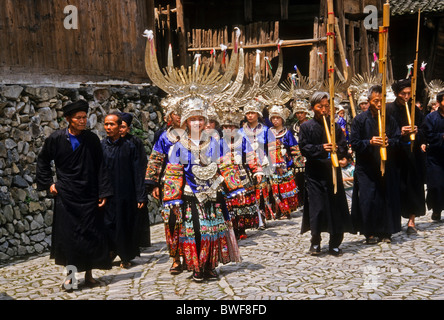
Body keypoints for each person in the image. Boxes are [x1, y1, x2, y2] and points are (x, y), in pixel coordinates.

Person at [162, 94, 245, 282]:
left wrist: (236, 188)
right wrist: (173, 199)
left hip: (213, 195)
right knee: (196, 232)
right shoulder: (179, 147)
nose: (197, 123)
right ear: (186, 122)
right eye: (193, 119)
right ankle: (196, 266)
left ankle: (210, 265)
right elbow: (174, 174)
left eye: (200, 119)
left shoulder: (215, 142)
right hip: (191, 197)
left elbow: (226, 165)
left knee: (213, 231)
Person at [36, 100, 113, 291]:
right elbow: (43, 160)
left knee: (91, 235)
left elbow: (101, 166)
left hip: (89, 194)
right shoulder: (56, 139)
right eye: (78, 118)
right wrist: (49, 184)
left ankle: (89, 275)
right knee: (69, 237)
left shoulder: (92, 139)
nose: (82, 121)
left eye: (84, 117)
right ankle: (70, 276)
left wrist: (103, 191)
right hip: (67, 195)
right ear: (68, 119)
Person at [298, 92, 352, 256]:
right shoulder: (306, 127)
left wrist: (341, 155)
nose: (323, 109)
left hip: (332, 173)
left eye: (326, 106)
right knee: (317, 208)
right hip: (315, 173)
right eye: (319, 106)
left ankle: (335, 242)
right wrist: (322, 148)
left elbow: (344, 145)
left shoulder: (334, 126)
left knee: (336, 208)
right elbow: (304, 148)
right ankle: (315, 241)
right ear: (313, 108)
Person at [350, 85, 402, 244]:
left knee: (386, 197)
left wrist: (389, 141)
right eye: (376, 101)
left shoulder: (389, 119)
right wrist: (370, 142)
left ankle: (386, 231)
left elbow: (398, 139)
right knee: (368, 199)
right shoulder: (359, 120)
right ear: (369, 101)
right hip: (366, 167)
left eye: (382, 101)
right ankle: (369, 232)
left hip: (386, 165)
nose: (379, 104)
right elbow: (355, 143)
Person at [101, 113, 147, 268]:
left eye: (112, 124)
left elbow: (138, 171)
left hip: (126, 192)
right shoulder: (101, 146)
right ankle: (110, 251)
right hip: (108, 193)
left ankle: (125, 255)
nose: (109, 128)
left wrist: (140, 196)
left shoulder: (130, 146)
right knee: (108, 224)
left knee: (125, 224)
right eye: (106, 124)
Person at [387, 79, 426, 234]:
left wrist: (417, 131)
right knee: (396, 187)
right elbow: (386, 130)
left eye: (409, 93)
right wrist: (399, 132)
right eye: (403, 93)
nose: (406, 96)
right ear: (397, 93)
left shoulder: (415, 110)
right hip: (396, 154)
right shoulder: (389, 109)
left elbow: (425, 129)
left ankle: (411, 221)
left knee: (413, 187)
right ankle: (393, 221)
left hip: (412, 154)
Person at [239, 100, 274, 226]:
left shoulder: (265, 130)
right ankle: (252, 219)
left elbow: (271, 148)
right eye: (247, 113)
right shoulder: (240, 132)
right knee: (249, 192)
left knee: (262, 192)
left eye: (252, 113)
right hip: (246, 166)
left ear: (258, 114)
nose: (250, 116)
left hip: (262, 164)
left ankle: (263, 218)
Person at [119, 112, 151, 248]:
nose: (120, 129)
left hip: (133, 184)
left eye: (123, 126)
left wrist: (141, 191)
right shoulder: (108, 143)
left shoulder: (135, 143)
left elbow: (141, 166)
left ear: (128, 128)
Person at [267, 105, 300, 219]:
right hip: (271, 165)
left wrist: (297, 163)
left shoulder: (287, 132)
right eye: (273, 118)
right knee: (274, 188)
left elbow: (293, 147)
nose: (275, 120)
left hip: (286, 165)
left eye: (278, 118)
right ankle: (278, 210)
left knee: (285, 188)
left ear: (282, 119)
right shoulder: (268, 132)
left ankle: (286, 210)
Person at [423, 90, 444, 221]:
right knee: (436, 185)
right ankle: (436, 209)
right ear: (439, 102)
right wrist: (441, 136)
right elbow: (427, 135)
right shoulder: (431, 118)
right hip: (435, 157)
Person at [290, 99, 310, 209]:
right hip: (297, 158)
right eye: (297, 113)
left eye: (301, 112)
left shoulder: (311, 125)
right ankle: (301, 201)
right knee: (299, 180)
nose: (299, 115)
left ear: (306, 113)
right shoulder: (293, 128)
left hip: (309, 155)